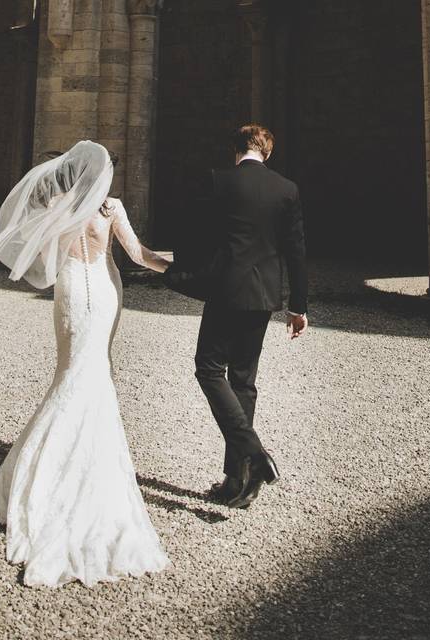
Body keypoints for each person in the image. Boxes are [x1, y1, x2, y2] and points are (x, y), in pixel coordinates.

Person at [0, 140, 171, 588]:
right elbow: (139, 255)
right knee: (93, 374)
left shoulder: (57, 204)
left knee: (69, 374)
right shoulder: (110, 209)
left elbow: (39, 252)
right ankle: (80, 474)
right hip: (104, 291)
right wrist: (183, 272)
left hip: (70, 291)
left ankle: (38, 472)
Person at [164, 124, 308, 510]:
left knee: (209, 369)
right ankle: (235, 479)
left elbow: (192, 230)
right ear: (268, 152)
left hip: (226, 291)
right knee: (243, 381)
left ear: (236, 150)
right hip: (263, 297)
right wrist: (299, 306)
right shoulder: (286, 188)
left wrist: (184, 273)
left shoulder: (219, 181)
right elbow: (296, 251)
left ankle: (254, 456)